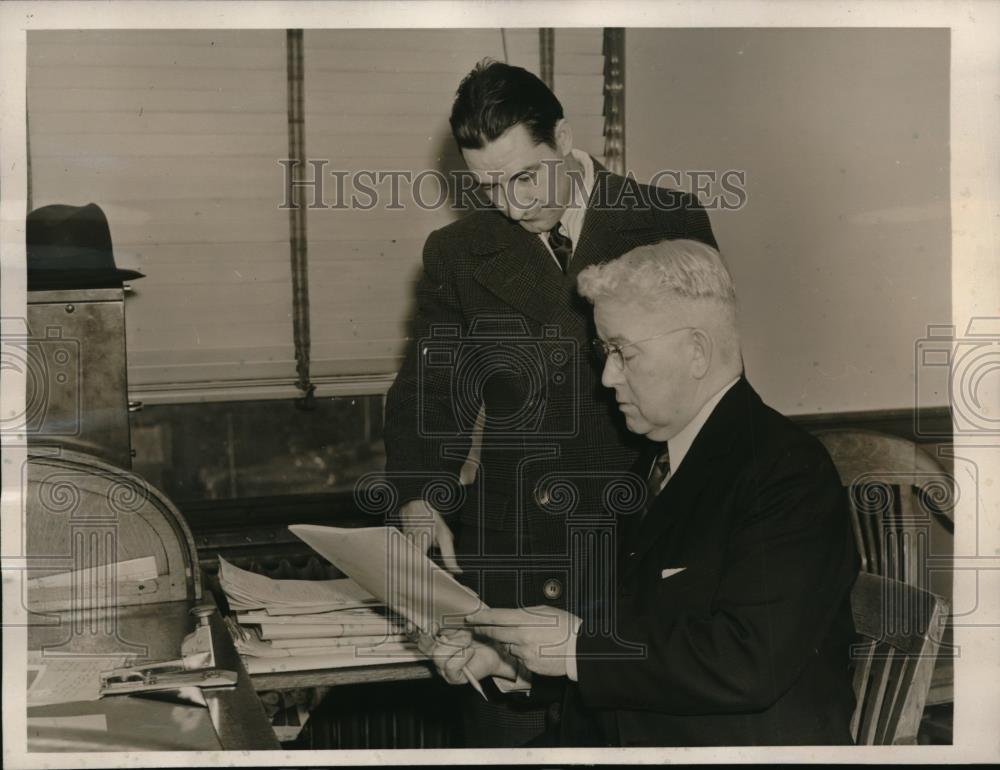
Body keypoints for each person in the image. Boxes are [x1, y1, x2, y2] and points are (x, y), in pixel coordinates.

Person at [382, 60, 717, 746]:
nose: (509, 204)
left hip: (635, 542)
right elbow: (430, 392)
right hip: (515, 550)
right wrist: (422, 496)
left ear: (564, 138)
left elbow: (706, 385)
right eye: (487, 186)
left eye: (525, 176)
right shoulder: (458, 252)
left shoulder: (665, 220)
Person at [421, 238, 861, 746]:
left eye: (623, 352)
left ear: (696, 352)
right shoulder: (656, 463)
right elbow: (636, 642)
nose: (607, 377)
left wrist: (577, 651)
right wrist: (509, 661)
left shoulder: (786, 471)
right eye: (604, 352)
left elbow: (749, 662)